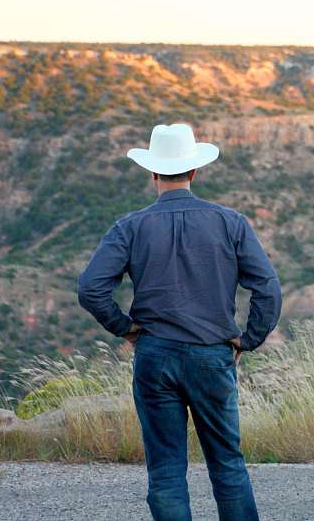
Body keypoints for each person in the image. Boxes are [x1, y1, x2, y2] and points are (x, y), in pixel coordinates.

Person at [77, 123, 281, 521]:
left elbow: (90, 289)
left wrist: (125, 327)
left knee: (166, 472)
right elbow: (268, 289)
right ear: (194, 171)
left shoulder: (130, 227)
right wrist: (248, 340)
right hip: (212, 354)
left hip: (155, 355)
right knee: (227, 465)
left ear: (152, 173)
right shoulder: (230, 222)